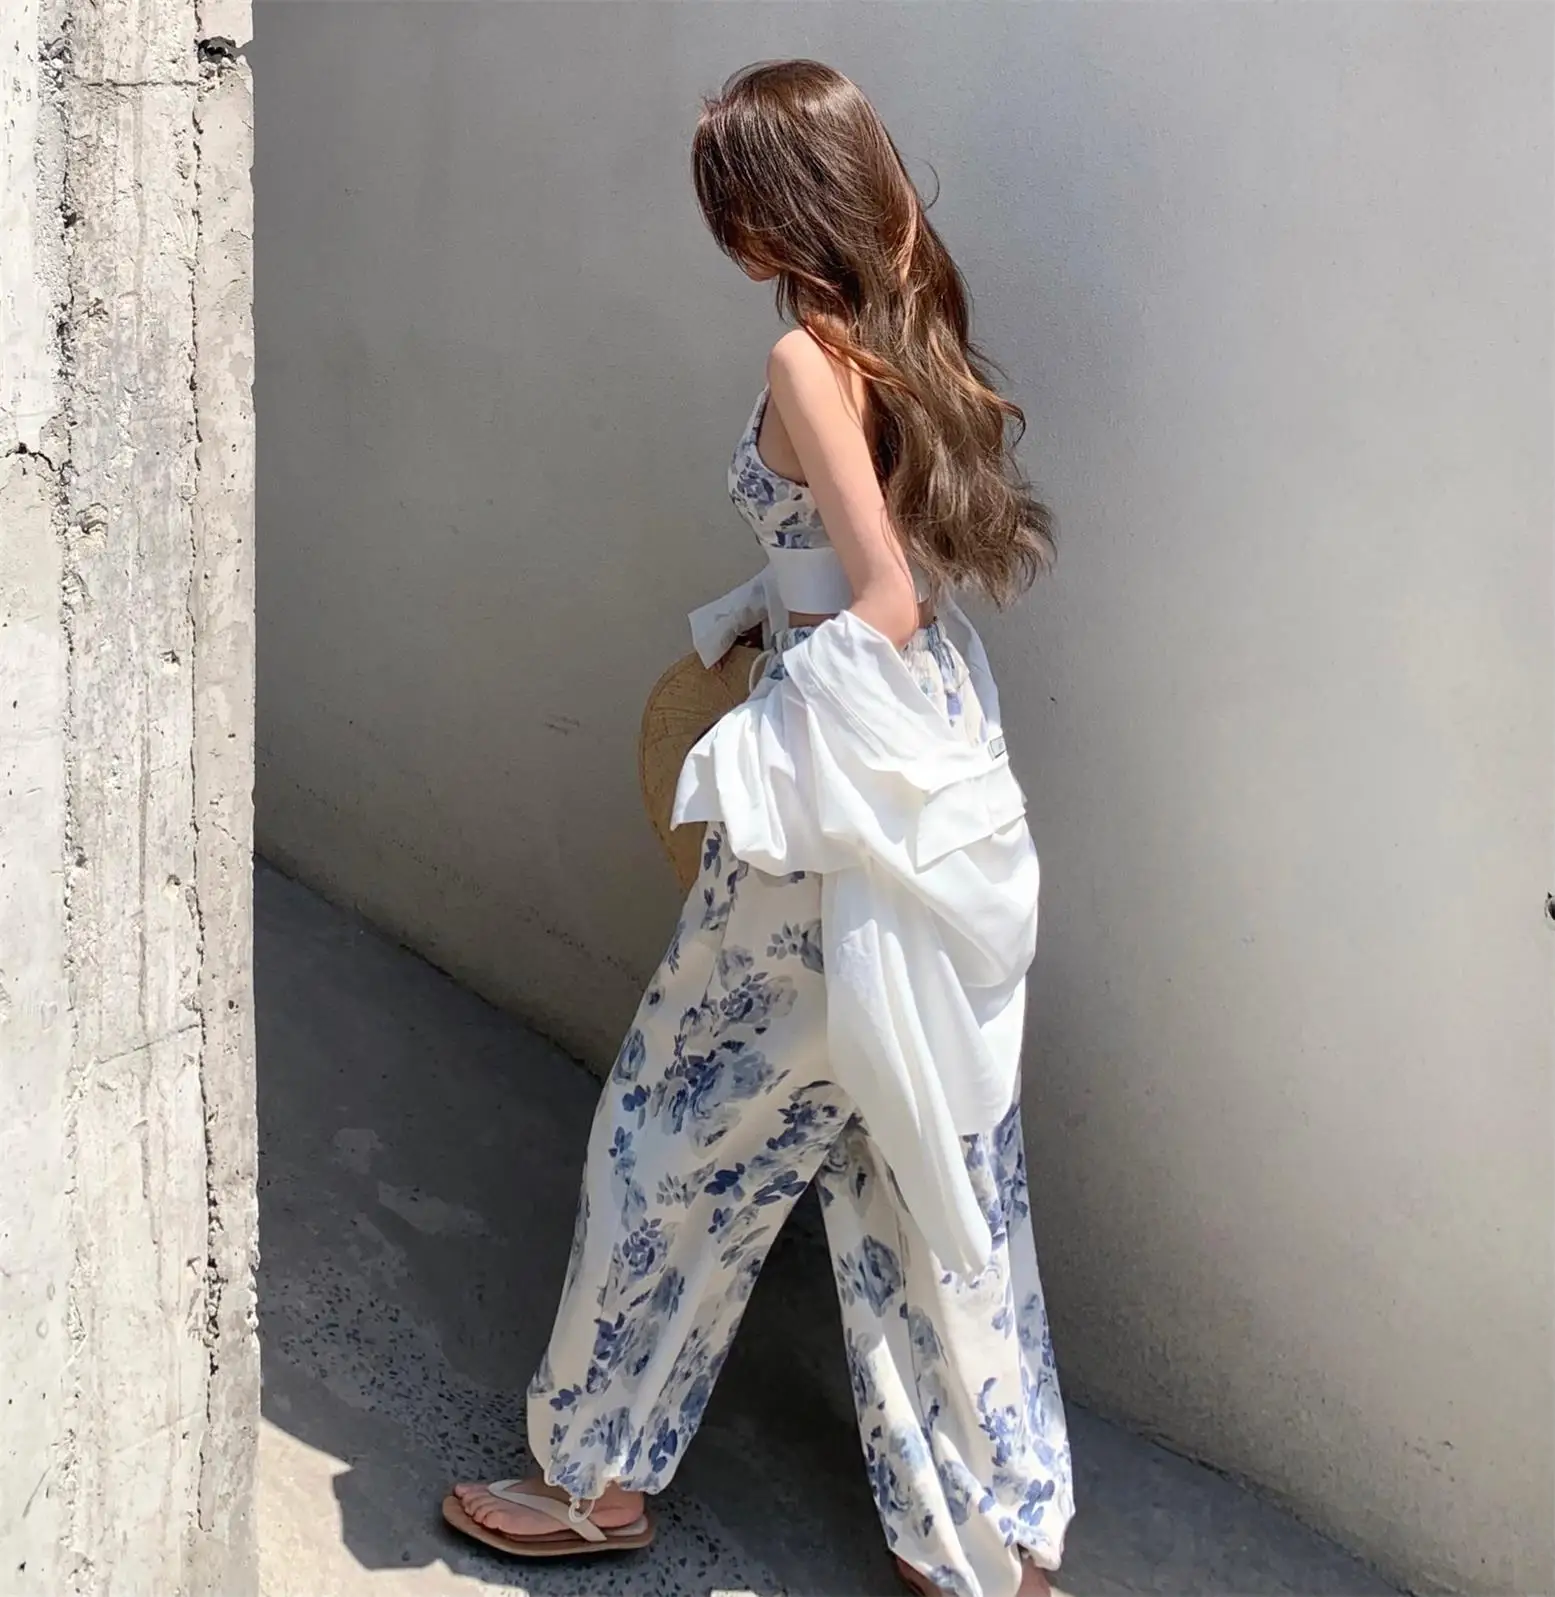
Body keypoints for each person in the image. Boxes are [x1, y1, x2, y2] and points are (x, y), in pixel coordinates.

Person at [444, 59, 1074, 1597]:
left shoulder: (807, 355)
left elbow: (881, 594)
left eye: (726, 199)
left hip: (830, 805)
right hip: (931, 759)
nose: (721, 230)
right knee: (910, 1152)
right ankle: (985, 1539)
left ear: (771, 209)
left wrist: (761, 751)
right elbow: (886, 576)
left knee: (672, 1131)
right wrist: (758, 609)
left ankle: (591, 1477)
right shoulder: (906, 327)